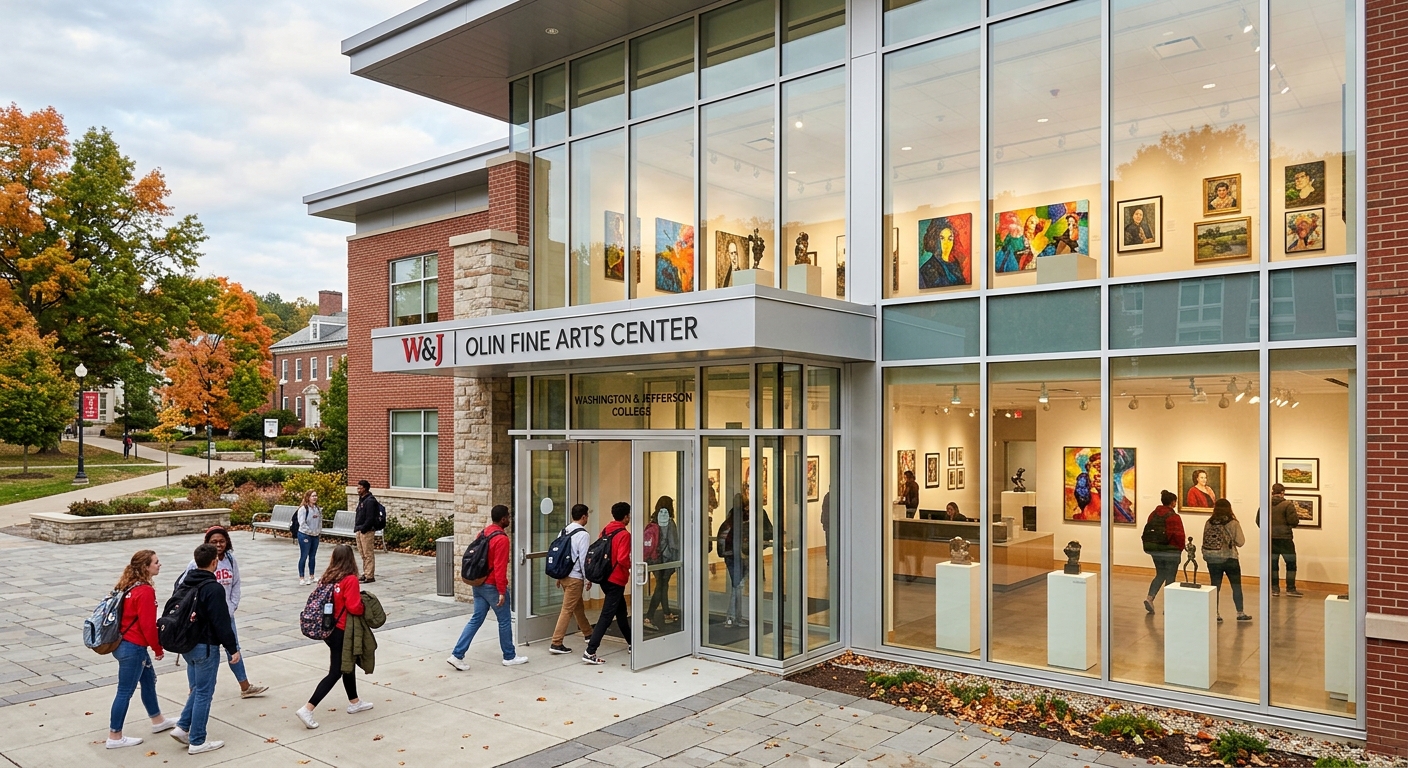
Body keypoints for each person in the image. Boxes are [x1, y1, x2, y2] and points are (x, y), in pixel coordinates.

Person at [178, 526, 266, 698]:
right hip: (203, 618)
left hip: (225, 615)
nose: (218, 545)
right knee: (197, 652)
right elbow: (184, 587)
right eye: (214, 542)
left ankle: (245, 686)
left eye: (222, 541)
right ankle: (193, 691)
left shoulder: (231, 560)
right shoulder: (195, 563)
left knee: (234, 650)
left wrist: (232, 606)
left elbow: (236, 584)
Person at [170, 544, 240, 754]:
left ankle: (183, 726)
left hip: (187, 644)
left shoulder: (185, 583)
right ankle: (197, 740)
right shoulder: (213, 588)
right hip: (205, 646)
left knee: (199, 687)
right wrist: (232, 648)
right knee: (204, 692)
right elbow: (221, 621)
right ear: (214, 562)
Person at [294, 545, 373, 729]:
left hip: (329, 629)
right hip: (344, 630)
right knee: (336, 671)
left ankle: (354, 702)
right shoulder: (350, 579)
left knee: (347, 665)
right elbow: (354, 607)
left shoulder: (328, 577)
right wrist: (365, 608)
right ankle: (308, 708)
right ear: (351, 559)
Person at [105, 549, 177, 749]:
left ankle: (158, 720)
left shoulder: (128, 586)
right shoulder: (145, 591)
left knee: (148, 681)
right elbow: (148, 625)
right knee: (124, 691)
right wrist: (158, 648)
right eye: (156, 562)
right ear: (146, 567)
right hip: (134, 648)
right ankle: (115, 736)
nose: (159, 564)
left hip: (125, 644)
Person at [447, 504, 527, 669]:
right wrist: (502, 591)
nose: (509, 519)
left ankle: (457, 655)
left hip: (479, 583)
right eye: (508, 516)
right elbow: (499, 568)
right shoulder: (502, 539)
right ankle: (509, 656)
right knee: (504, 620)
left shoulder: (484, 533)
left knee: (476, 619)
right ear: (503, 519)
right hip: (492, 586)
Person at [584, 502, 633, 665]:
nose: (629, 518)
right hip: (616, 580)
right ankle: (590, 651)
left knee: (621, 612)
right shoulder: (624, 535)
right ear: (625, 516)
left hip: (604, 578)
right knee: (606, 615)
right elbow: (622, 558)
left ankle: (632, 642)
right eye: (629, 515)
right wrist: (633, 565)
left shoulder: (606, 530)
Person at [549, 504, 594, 655]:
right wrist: (588, 578)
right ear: (584, 517)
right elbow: (583, 559)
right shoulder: (583, 535)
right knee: (567, 610)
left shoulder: (564, 531)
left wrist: (558, 576)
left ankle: (588, 633)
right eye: (587, 516)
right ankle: (556, 642)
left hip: (564, 576)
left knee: (577, 607)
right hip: (575, 578)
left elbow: (558, 556)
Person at [1203, 499, 1252, 623]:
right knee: (1236, 586)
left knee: (1215, 587)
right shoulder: (1233, 523)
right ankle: (1240, 612)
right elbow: (1241, 542)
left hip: (1213, 559)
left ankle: (1215, 613)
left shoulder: (1209, 522)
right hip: (1230, 558)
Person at [1142, 490, 1186, 614]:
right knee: (1170, 577)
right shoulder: (1174, 517)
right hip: (1171, 551)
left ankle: (1150, 598)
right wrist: (1180, 549)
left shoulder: (1153, 514)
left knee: (1160, 574)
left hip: (1155, 550)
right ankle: (1168, 605)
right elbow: (1179, 535)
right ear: (1172, 502)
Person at [643, 496, 680, 632]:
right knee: (661, 586)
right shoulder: (669, 523)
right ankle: (649, 617)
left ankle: (667, 614)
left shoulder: (653, 521)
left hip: (654, 559)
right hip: (665, 560)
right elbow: (673, 544)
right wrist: (677, 562)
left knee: (663, 585)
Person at [1260, 483, 1303, 596]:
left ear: (1272, 492)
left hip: (1270, 539)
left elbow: (1259, 521)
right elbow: (1294, 521)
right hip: (1285, 538)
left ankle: (1274, 589)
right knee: (1291, 564)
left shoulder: (1265, 504)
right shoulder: (1288, 505)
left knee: (1273, 565)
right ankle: (1290, 589)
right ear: (1283, 492)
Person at [353, 480, 379, 583]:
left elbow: (370, 518)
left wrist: (364, 528)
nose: (358, 490)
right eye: (357, 488)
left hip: (367, 531)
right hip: (360, 529)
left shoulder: (370, 501)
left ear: (365, 489)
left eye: (360, 488)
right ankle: (366, 572)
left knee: (368, 553)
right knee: (362, 553)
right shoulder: (362, 499)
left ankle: (370, 575)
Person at [295, 490, 323, 586]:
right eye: (312, 496)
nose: (315, 498)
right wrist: (310, 532)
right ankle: (302, 577)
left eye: (316, 496)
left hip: (315, 535)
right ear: (308, 497)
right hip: (305, 535)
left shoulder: (317, 509)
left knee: (312, 556)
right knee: (304, 555)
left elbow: (319, 521)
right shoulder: (303, 509)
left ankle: (312, 576)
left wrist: (318, 531)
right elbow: (302, 523)